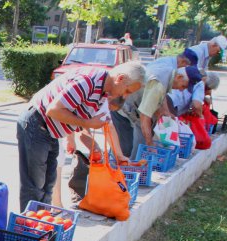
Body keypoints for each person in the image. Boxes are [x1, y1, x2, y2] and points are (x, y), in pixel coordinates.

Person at [16, 61, 146, 211]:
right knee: (34, 184)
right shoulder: (88, 82)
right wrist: (88, 123)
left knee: (48, 183)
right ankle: (28, 227)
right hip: (36, 125)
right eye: (127, 91)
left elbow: (107, 125)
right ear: (120, 78)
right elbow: (54, 111)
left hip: (50, 131)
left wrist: (119, 155)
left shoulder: (104, 91)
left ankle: (40, 223)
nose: (125, 96)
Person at [111, 57, 201, 158]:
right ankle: (118, 169)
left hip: (133, 108)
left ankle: (128, 164)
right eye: (183, 86)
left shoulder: (168, 72)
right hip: (120, 107)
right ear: (179, 77)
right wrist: (150, 143)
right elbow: (145, 116)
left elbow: (163, 94)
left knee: (137, 143)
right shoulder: (158, 84)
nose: (181, 90)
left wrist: (166, 111)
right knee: (124, 150)